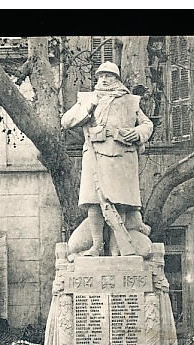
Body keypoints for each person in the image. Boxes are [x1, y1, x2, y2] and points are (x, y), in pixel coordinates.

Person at [61, 61, 154, 256]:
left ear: (116, 79)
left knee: (119, 202)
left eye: (109, 76)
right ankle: (96, 246)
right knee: (94, 202)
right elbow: (66, 121)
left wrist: (138, 133)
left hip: (121, 157)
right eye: (101, 75)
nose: (104, 79)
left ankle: (116, 248)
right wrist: (86, 109)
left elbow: (147, 124)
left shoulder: (129, 100)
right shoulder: (88, 98)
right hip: (94, 156)